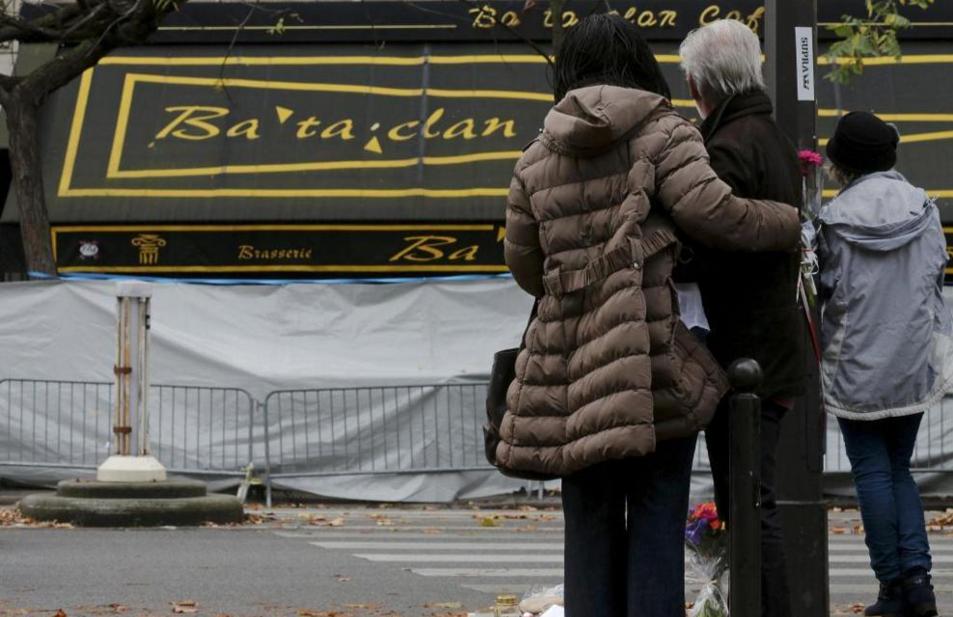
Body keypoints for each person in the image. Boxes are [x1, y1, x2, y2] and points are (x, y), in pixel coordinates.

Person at [496, 14, 801, 617]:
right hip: (650, 361)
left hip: (567, 369)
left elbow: (526, 268)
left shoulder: (535, 156)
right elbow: (720, 216)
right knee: (659, 507)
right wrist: (792, 221)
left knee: (588, 516)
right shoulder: (667, 133)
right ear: (641, 65)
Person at [678, 19, 807, 617]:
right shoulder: (769, 134)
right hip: (773, 346)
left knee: (749, 503)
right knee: (751, 499)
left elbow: (713, 239)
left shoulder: (726, 147)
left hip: (745, 351)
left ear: (704, 81)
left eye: (690, 80)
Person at [818, 111, 953, 617]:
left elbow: (824, 292)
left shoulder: (834, 220)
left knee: (872, 472)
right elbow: (933, 278)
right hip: (912, 361)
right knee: (900, 469)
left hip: (856, 363)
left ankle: (893, 588)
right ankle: (919, 583)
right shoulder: (923, 207)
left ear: (843, 163)